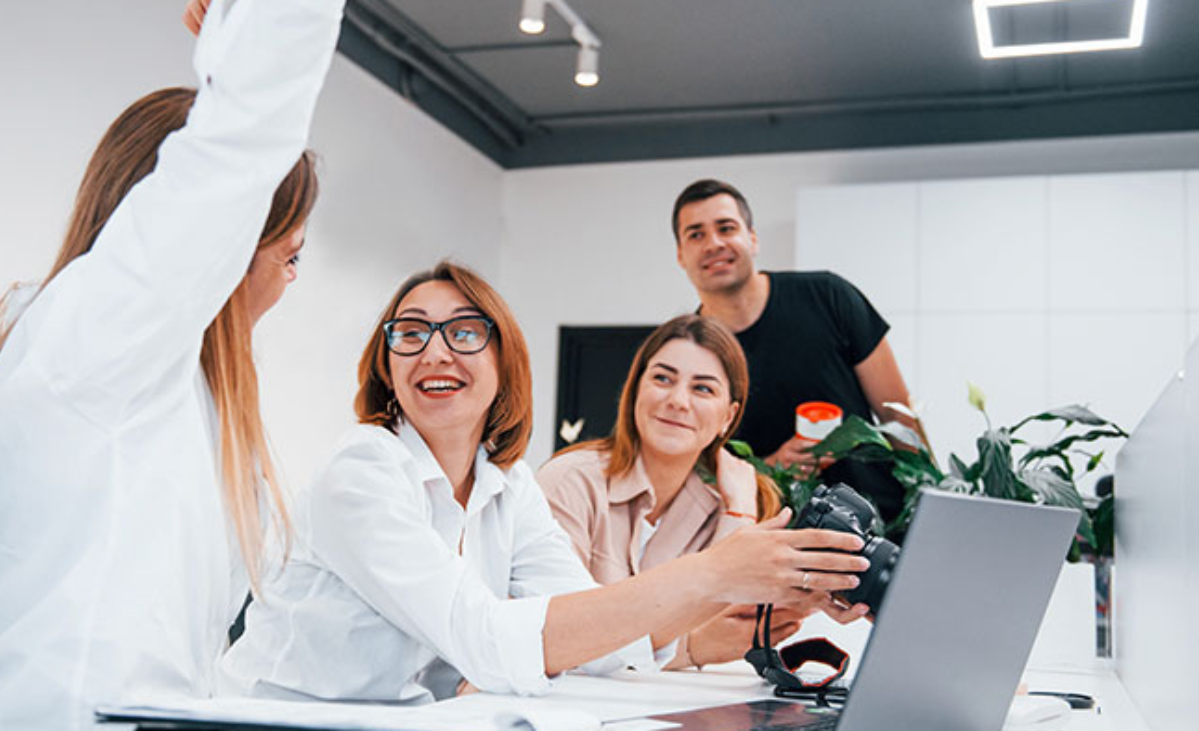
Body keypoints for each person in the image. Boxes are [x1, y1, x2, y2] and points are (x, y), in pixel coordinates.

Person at [0, 0, 344, 727]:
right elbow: (239, 148)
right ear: (228, 249)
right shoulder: (101, 342)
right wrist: (253, 32)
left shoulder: (151, 384)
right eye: (290, 256)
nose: (289, 282)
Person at [219, 262, 870, 702]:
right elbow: (485, 640)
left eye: (464, 333)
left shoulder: (508, 483)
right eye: (410, 333)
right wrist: (715, 574)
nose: (435, 351)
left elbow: (596, 637)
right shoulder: (361, 470)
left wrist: (753, 579)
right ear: (387, 366)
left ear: (505, 362)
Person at [538, 314, 841, 670]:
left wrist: (739, 513)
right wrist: (691, 647)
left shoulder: (728, 503)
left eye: (703, 389)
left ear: (728, 417)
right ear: (635, 390)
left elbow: (730, 622)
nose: (678, 400)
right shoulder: (569, 482)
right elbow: (557, 643)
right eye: (662, 379)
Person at [671, 179, 921, 524]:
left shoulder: (828, 296)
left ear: (752, 238)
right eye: (696, 234)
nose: (714, 243)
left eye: (726, 228)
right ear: (681, 255)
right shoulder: (687, 353)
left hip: (883, 525)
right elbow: (695, 478)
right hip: (778, 539)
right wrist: (770, 467)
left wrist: (929, 503)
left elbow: (900, 419)